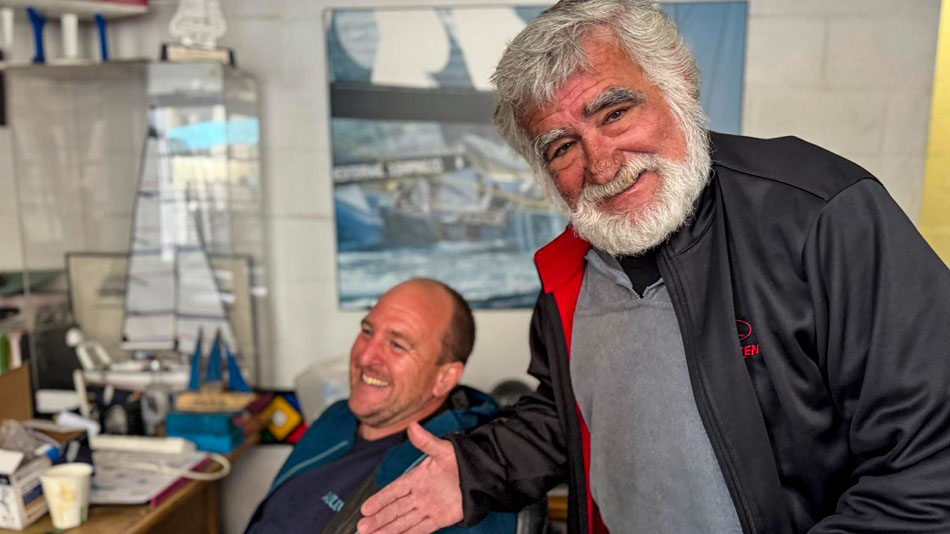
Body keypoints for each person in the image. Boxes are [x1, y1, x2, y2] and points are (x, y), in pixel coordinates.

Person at [356, 1, 950, 534]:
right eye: (562, 147)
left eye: (614, 112)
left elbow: (929, 464)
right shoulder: (569, 274)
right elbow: (567, 412)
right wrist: (473, 470)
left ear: (679, 83)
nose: (600, 163)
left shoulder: (819, 213)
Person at [244, 279, 519, 534]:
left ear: (444, 378)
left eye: (397, 345)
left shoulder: (457, 479)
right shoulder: (337, 415)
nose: (365, 357)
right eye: (367, 331)